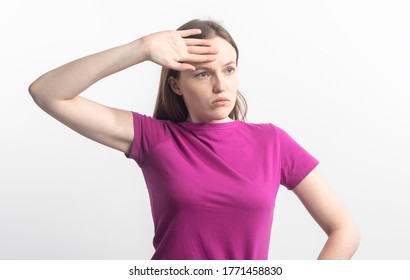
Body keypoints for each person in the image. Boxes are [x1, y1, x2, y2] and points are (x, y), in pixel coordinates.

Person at [29, 19, 360, 260]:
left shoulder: (272, 142)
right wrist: (140, 48)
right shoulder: (153, 138)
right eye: (203, 73)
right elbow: (48, 93)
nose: (221, 85)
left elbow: (345, 230)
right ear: (176, 84)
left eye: (228, 70)